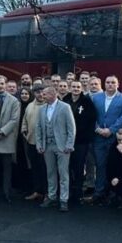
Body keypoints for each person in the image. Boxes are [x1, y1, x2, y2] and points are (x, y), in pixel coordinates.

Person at [90, 76, 122, 204]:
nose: (110, 84)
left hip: (115, 137)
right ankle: (99, 192)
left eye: (113, 82)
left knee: (115, 164)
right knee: (100, 165)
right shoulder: (95, 98)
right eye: (108, 82)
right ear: (104, 84)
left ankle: (115, 193)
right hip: (98, 137)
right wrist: (98, 129)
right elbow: (90, 115)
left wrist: (111, 130)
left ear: (118, 84)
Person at [36, 83, 76, 212]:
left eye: (45, 94)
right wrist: (39, 144)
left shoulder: (65, 107)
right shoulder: (42, 109)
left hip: (62, 146)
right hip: (47, 145)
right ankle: (52, 196)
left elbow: (71, 128)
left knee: (63, 173)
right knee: (50, 172)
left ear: (53, 94)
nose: (42, 96)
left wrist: (69, 145)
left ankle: (64, 200)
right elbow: (38, 128)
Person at [61, 80, 96, 205]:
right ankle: (68, 191)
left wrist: (84, 135)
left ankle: (78, 193)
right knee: (67, 167)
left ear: (81, 88)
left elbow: (91, 120)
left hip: (81, 141)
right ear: (70, 88)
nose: (75, 89)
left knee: (79, 167)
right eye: (73, 86)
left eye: (78, 87)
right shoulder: (65, 100)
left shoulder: (87, 102)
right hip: (65, 140)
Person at [21, 86, 47, 201]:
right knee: (35, 168)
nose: (40, 95)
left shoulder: (49, 105)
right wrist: (24, 130)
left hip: (45, 144)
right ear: (34, 94)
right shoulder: (30, 106)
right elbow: (24, 121)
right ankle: (38, 191)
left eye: (42, 92)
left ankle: (47, 193)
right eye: (38, 92)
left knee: (45, 169)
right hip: (31, 142)